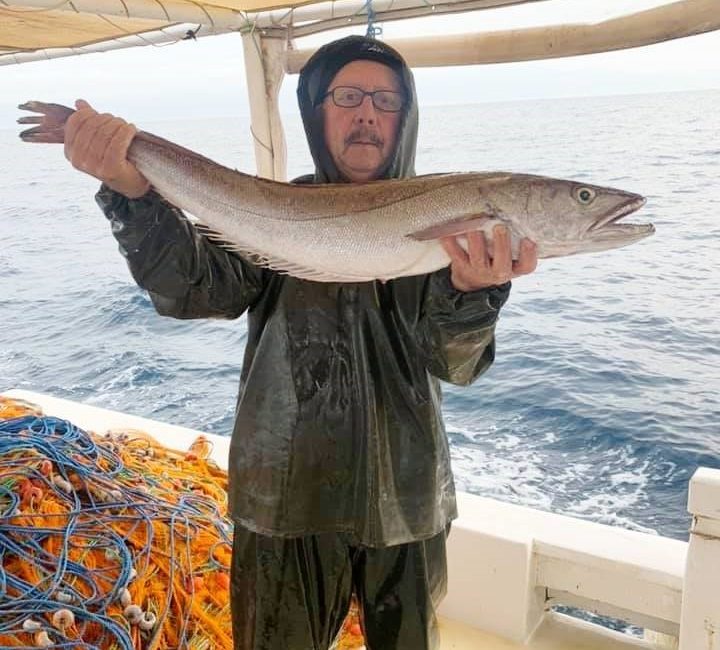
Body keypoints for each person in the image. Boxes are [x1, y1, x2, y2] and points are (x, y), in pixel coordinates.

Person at [63, 35, 537, 650]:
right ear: (317, 112)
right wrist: (134, 196)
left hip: (407, 496)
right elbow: (194, 291)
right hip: (282, 495)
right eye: (348, 96)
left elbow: (456, 363)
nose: (368, 113)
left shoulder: (454, 229)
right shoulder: (274, 210)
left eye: (387, 100)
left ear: (406, 117)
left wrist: (473, 292)